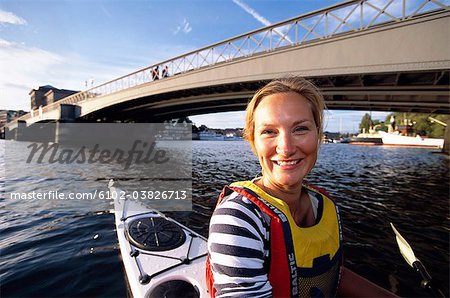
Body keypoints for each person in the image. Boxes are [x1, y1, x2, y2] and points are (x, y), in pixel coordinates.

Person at [206, 76, 397, 297]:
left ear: (318, 135)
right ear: (253, 141)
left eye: (300, 129)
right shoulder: (238, 219)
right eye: (269, 131)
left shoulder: (322, 205)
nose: (286, 148)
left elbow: (332, 274)